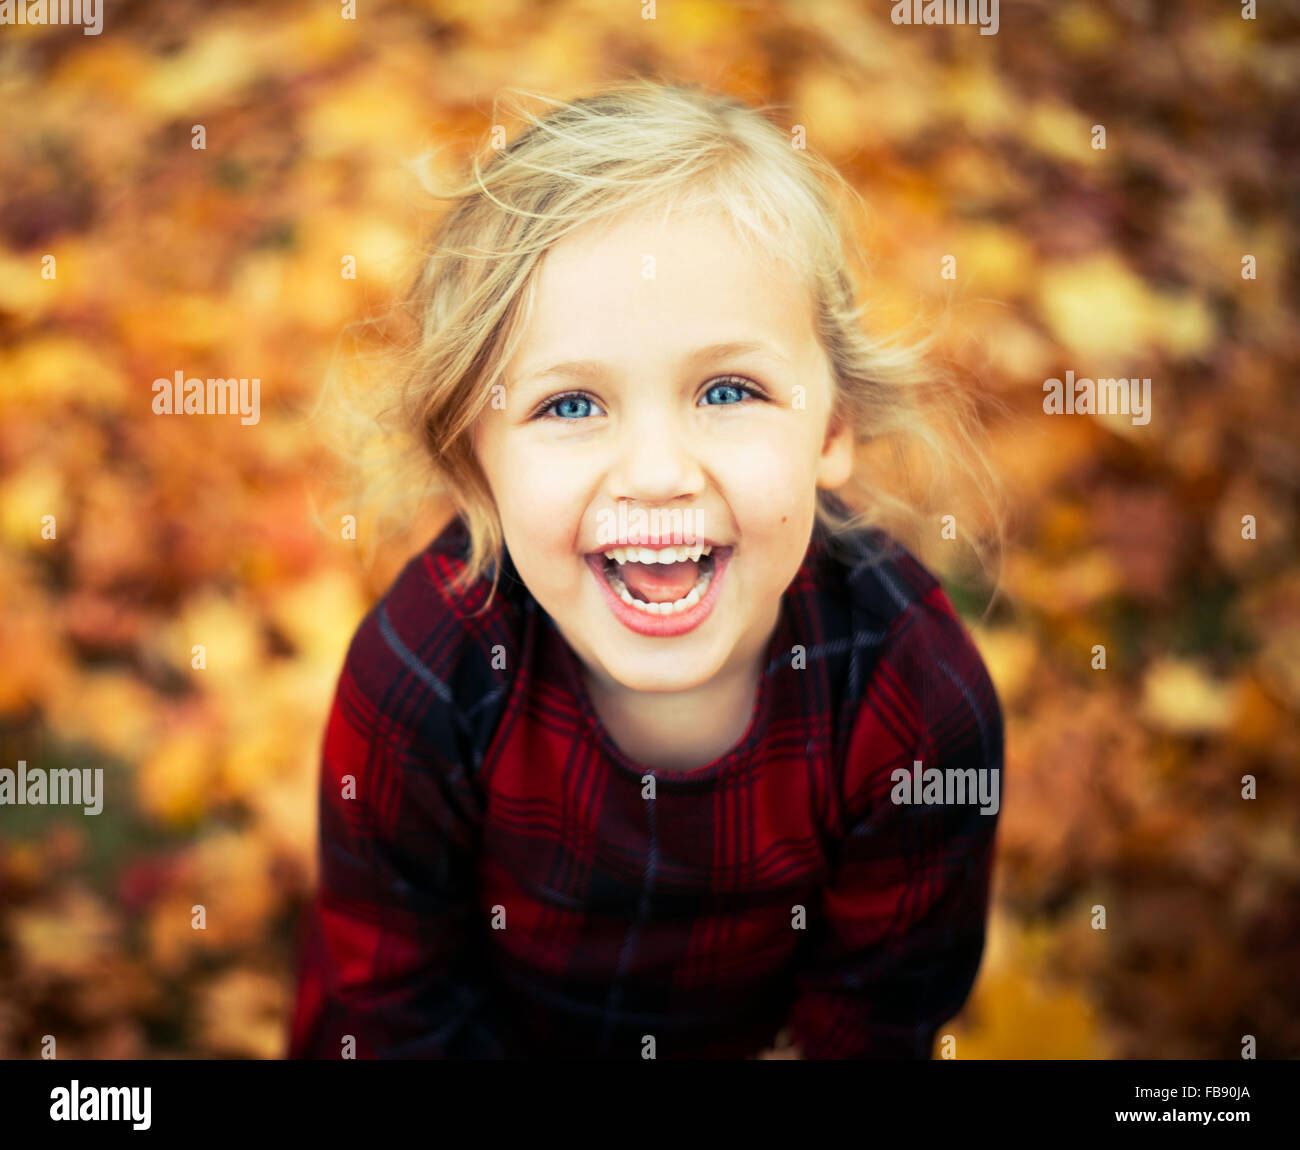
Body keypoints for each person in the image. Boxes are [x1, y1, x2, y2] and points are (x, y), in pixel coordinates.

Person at [288, 79, 1005, 1060]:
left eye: (727, 388)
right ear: (473, 465)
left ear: (831, 425)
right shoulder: (425, 670)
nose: (659, 472)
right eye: (571, 405)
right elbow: (395, 990)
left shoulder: (914, 699)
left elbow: (876, 1019)